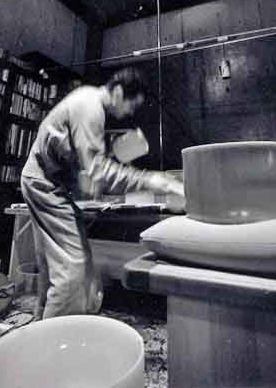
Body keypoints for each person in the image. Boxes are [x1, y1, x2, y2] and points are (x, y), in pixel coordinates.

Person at [21, 67, 183, 319]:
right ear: (118, 92)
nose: (130, 113)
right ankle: (54, 336)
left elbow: (86, 166)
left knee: (56, 264)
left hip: (45, 180)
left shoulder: (88, 102)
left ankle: (41, 322)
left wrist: (106, 163)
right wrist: (150, 180)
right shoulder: (90, 107)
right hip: (44, 183)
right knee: (72, 268)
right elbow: (97, 171)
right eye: (132, 105)